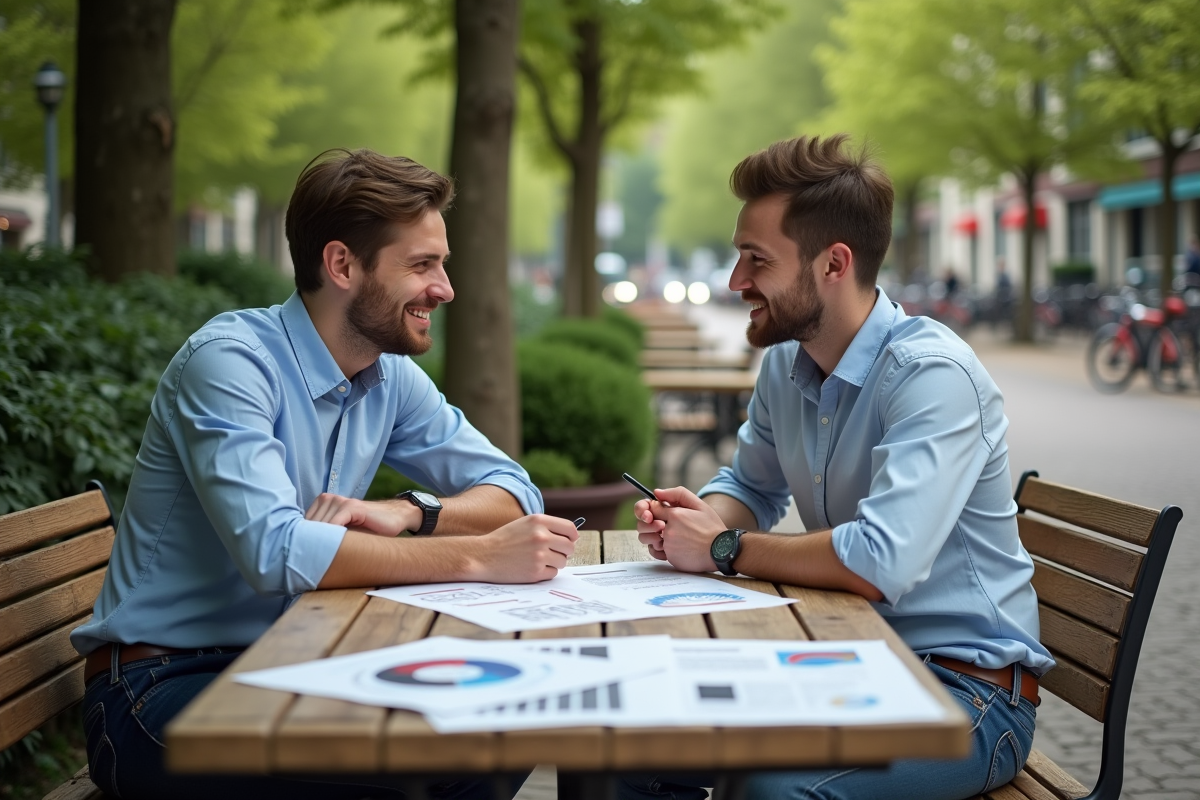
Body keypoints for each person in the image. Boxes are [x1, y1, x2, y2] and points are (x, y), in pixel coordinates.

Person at [72, 149, 578, 800]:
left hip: (292, 662)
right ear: (342, 264)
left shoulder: (387, 375)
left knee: (496, 735)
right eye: (423, 265)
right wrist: (478, 557)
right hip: (158, 691)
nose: (444, 289)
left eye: (441, 264)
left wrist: (412, 513)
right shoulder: (230, 364)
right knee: (421, 771)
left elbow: (514, 491)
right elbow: (277, 552)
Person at [627, 135, 1053, 800]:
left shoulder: (930, 378)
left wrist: (722, 545)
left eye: (756, 260)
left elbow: (879, 559)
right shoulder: (784, 363)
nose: (736, 282)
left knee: (774, 788)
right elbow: (749, 483)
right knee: (642, 734)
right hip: (851, 660)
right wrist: (700, 517)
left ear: (834, 264)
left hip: (970, 696)